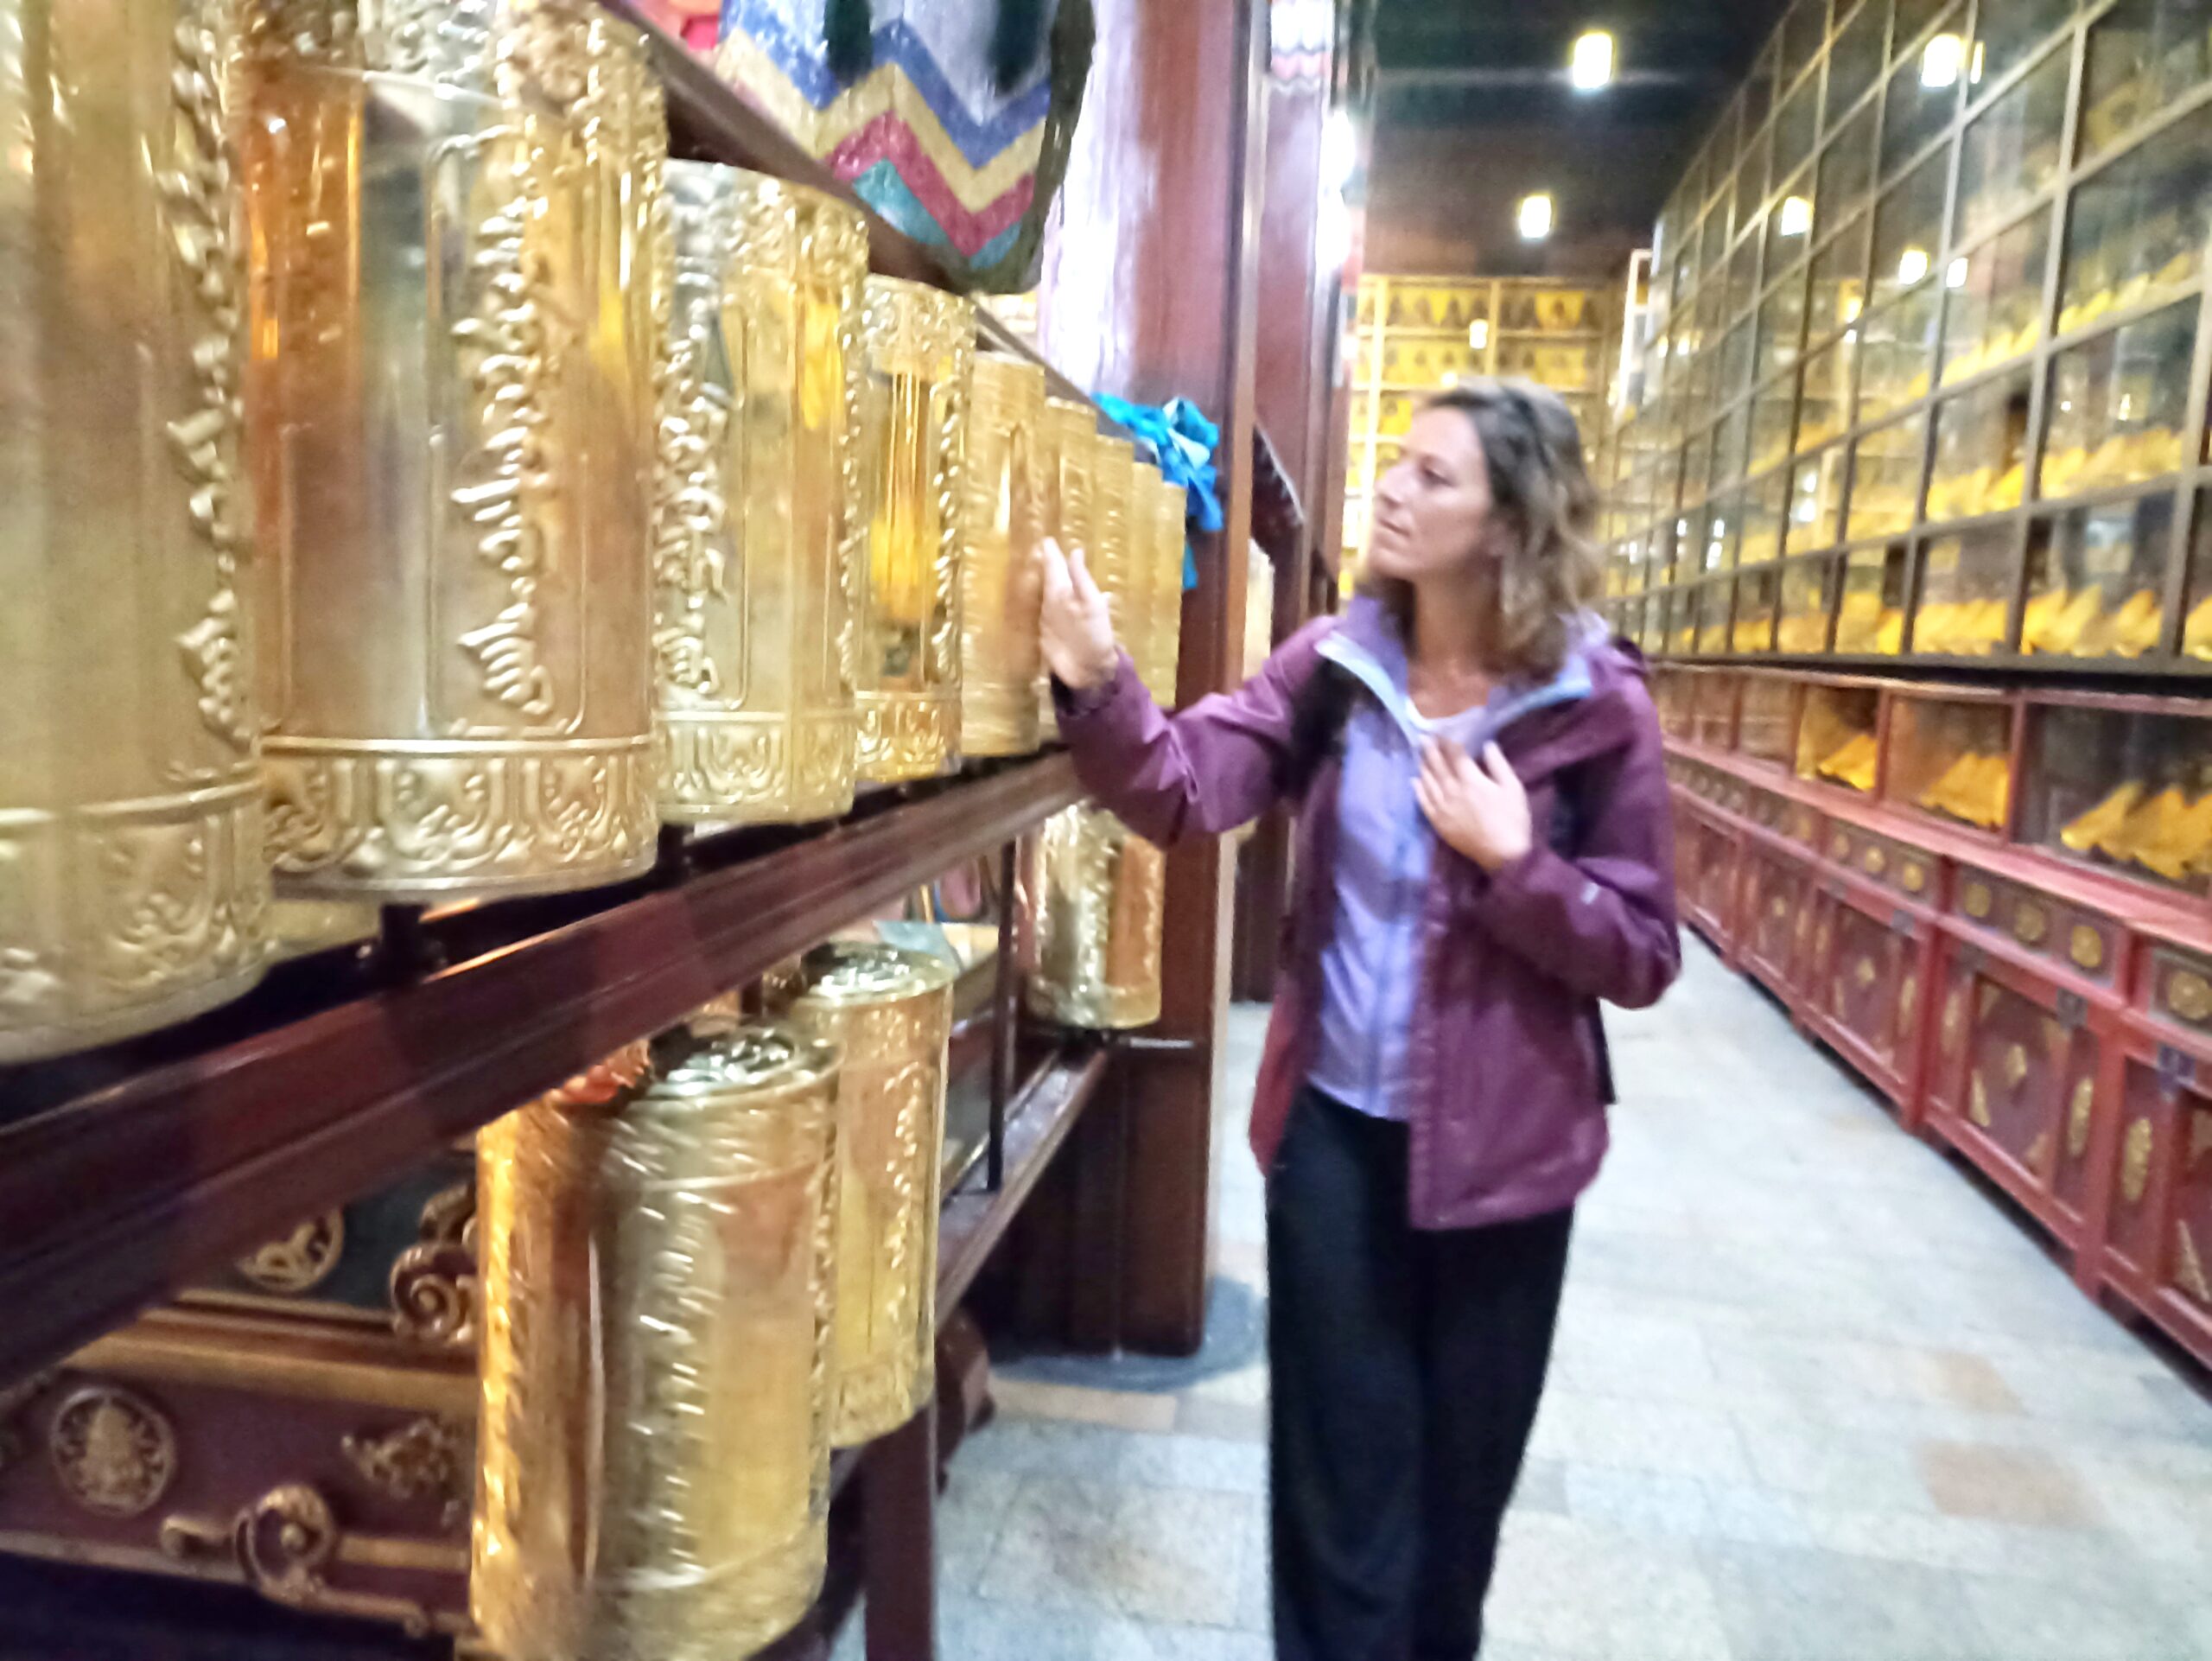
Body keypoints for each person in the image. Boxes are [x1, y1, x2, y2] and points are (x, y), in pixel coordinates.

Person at [1036, 379, 1681, 1661]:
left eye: (1434, 477)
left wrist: (1515, 866)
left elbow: (1643, 951)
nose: (1391, 489)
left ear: (1511, 522)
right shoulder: (1337, 668)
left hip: (1508, 1165)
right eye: (1396, 463)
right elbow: (1181, 786)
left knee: (1454, 1510)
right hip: (1336, 1140)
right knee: (1338, 1494)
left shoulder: (1595, 706)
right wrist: (1097, 678)